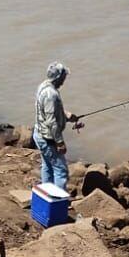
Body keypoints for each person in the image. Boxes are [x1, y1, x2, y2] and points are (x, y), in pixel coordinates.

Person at [33, 62, 79, 191]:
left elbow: (50, 111)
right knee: (61, 170)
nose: (64, 80)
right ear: (58, 77)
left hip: (39, 134)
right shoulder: (51, 94)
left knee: (47, 166)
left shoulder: (43, 86)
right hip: (48, 139)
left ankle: (47, 195)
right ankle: (58, 200)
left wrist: (67, 116)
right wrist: (59, 142)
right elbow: (51, 121)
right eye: (64, 77)